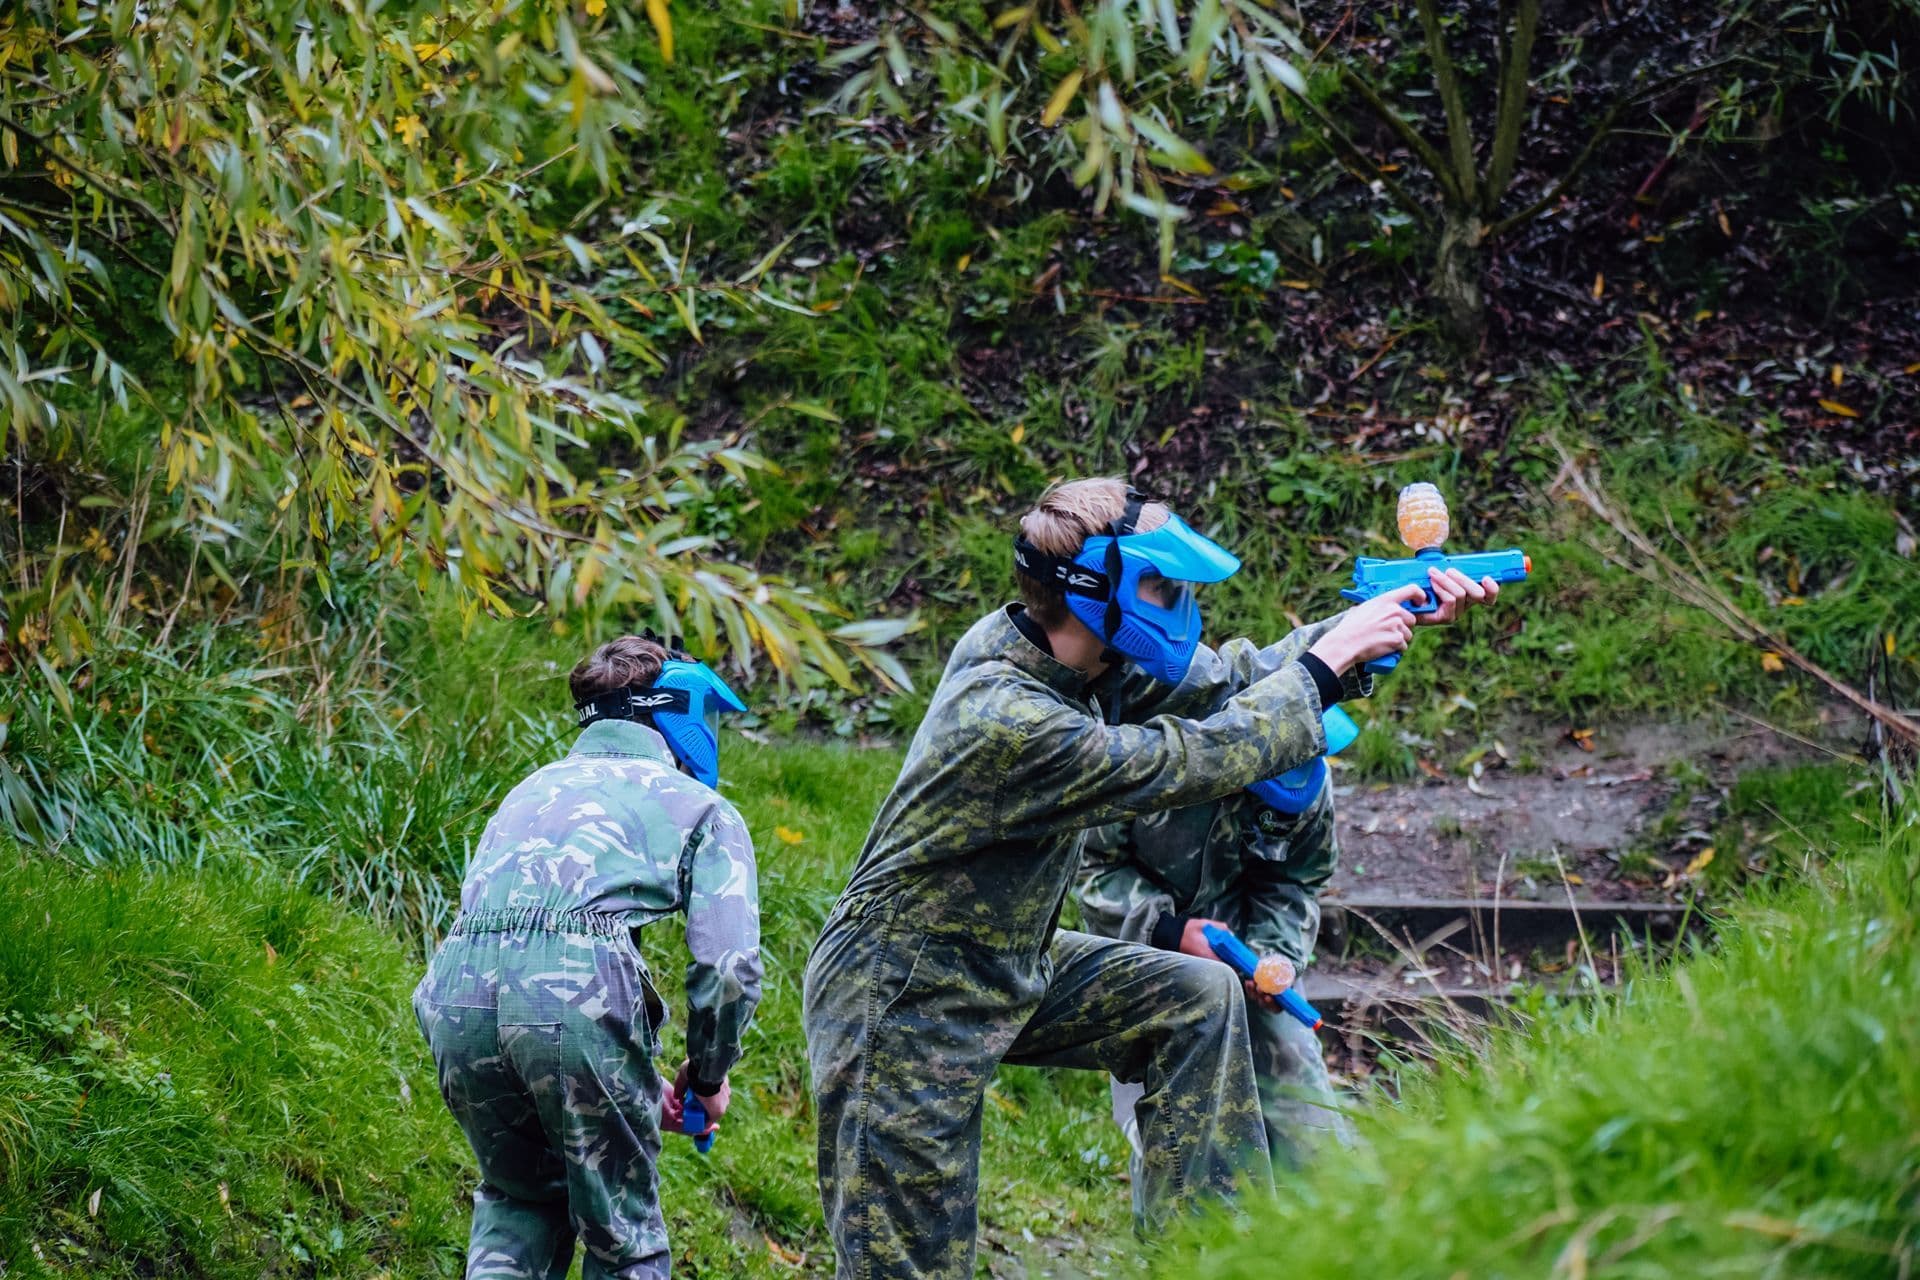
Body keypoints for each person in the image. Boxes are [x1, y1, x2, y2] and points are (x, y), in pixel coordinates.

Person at [803, 478, 1497, 1279]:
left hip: (1006, 960)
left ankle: (1208, 1258)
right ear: (1097, 588)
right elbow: (1191, 759)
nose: (1179, 605)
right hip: (900, 995)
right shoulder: (1008, 717)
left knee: (1197, 1001)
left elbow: (1236, 681)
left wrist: (1377, 619)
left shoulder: (1083, 661)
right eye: (1162, 587)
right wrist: (1326, 667)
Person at [414, 635, 761, 1280]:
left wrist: (622, 1069)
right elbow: (728, 968)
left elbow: (520, 940)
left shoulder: (529, 791)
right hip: (569, 1007)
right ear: (676, 714)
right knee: (621, 1236)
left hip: (454, 996)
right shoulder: (703, 809)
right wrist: (708, 1077)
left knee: (519, 1205)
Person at [1078, 724, 1353, 1185]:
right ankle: (1185, 1248)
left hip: (1243, 942)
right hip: (1138, 948)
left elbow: (1295, 880)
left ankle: (1331, 1233)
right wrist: (1167, 930)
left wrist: (1275, 959)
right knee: (1174, 1125)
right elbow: (1091, 869)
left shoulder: (1311, 780)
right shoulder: (1152, 754)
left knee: (1304, 1108)